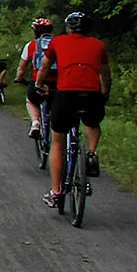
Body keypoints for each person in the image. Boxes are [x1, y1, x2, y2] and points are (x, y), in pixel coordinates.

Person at [35, 11, 111, 208]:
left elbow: (44, 67)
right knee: (93, 124)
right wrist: (104, 93)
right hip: (91, 95)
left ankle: (56, 192)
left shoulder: (58, 42)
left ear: (68, 28)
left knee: (58, 141)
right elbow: (106, 74)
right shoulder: (98, 45)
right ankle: (92, 152)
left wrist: (38, 84)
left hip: (66, 94)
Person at [14, 17, 56, 139]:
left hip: (38, 81)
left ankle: (35, 123)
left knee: (31, 100)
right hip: (57, 83)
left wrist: (19, 78)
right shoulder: (58, 44)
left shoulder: (31, 45)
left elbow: (22, 67)